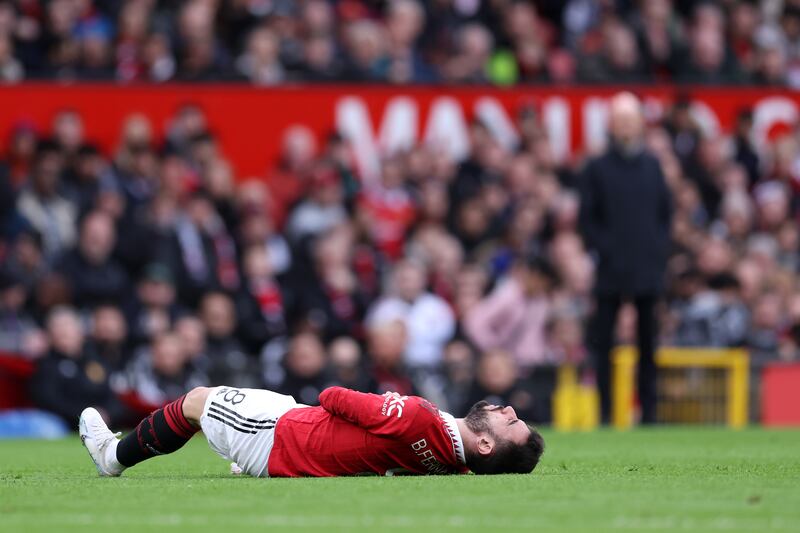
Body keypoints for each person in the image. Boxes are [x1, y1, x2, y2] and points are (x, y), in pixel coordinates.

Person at [79, 384, 544, 478]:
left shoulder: (421, 417)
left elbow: (333, 396)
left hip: (285, 433)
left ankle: (112, 458)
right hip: (298, 443)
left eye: (511, 423)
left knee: (198, 401)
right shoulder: (451, 464)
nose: (507, 409)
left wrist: (385, 401)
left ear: (486, 445)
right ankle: (245, 462)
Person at [579, 92, 672, 424]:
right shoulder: (597, 168)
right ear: (612, 125)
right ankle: (605, 413)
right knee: (604, 345)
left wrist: (657, 252)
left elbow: (665, 215)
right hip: (611, 270)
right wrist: (610, 251)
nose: (627, 127)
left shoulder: (652, 166)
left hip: (647, 269)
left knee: (649, 346)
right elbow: (587, 220)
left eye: (631, 119)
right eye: (621, 120)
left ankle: (649, 414)